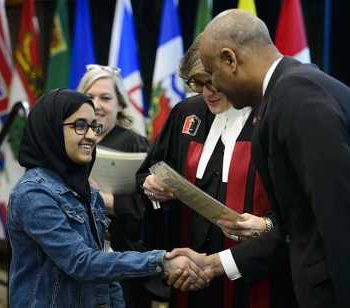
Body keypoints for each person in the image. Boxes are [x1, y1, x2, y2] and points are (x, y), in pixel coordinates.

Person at [166, 9, 350, 308]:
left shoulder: (296, 96)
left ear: (230, 60)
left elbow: (338, 217)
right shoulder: (287, 93)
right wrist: (214, 264)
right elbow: (302, 224)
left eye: (212, 75)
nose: (211, 89)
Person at [7, 88, 211, 307]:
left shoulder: (88, 191)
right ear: (51, 130)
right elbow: (81, 262)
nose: (92, 135)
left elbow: (104, 259)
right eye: (79, 125)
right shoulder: (33, 192)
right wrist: (161, 261)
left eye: (93, 126)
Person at [136, 34, 296, 308]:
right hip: (190, 269)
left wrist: (266, 224)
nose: (207, 92)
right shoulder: (188, 113)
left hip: (255, 275)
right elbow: (148, 172)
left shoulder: (273, 115)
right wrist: (152, 188)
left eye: (213, 82)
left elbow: (298, 206)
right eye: (197, 83)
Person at [77, 65, 163, 307]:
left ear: (120, 104)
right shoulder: (70, 142)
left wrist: (103, 200)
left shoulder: (137, 145)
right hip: (77, 256)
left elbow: (153, 207)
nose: (97, 105)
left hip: (124, 256)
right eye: (89, 97)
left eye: (105, 98)